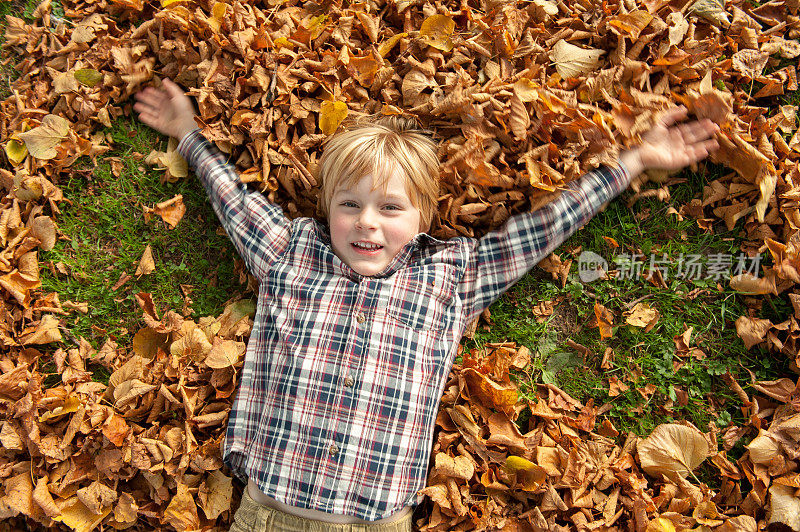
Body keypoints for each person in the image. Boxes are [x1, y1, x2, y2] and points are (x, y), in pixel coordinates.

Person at [133, 79, 719, 531]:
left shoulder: (451, 277)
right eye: (349, 204)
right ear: (326, 209)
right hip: (268, 513)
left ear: (423, 216)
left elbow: (542, 231)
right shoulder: (291, 252)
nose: (367, 222)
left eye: (390, 208)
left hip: (379, 521)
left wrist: (635, 162)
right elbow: (231, 199)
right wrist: (186, 132)